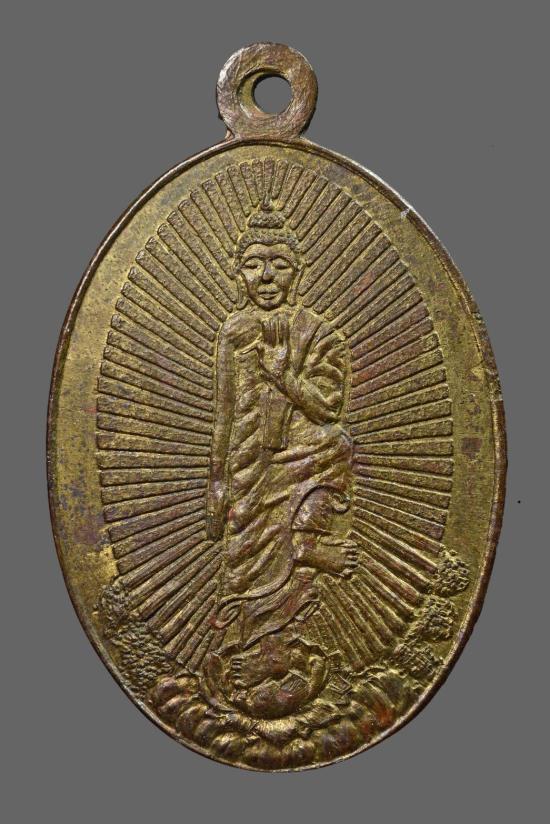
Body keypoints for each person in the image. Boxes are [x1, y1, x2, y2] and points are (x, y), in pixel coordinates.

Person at [206, 206, 357, 674]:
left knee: (336, 442)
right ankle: (249, 650)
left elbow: (327, 407)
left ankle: (305, 549)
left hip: (298, 458)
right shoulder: (234, 331)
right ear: (239, 275)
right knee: (246, 558)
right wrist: (217, 481)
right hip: (248, 466)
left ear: (297, 273)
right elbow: (223, 413)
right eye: (254, 264)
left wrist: (282, 374)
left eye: (280, 264)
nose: (266, 276)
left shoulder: (318, 332)